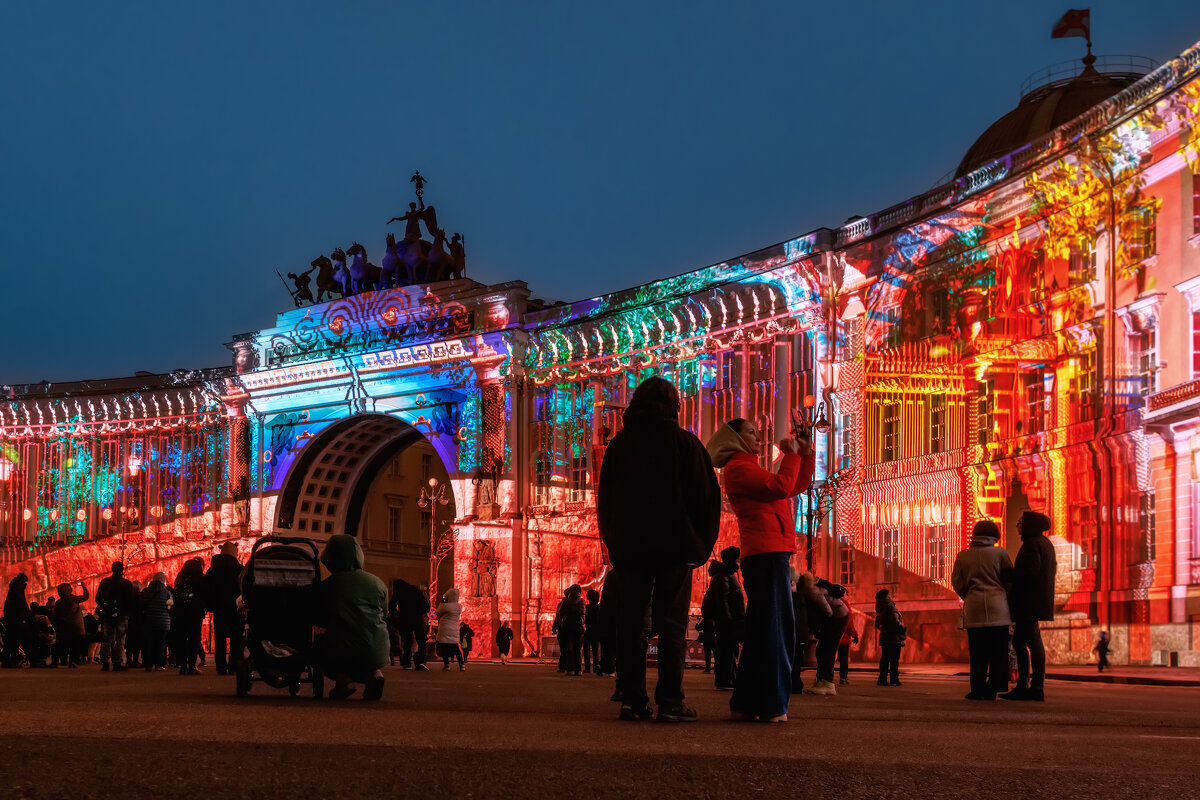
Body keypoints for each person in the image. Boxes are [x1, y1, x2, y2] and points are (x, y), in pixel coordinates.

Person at [597, 377, 721, 722]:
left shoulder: (619, 447)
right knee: (671, 624)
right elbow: (707, 500)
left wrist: (613, 541)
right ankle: (670, 700)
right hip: (675, 548)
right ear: (674, 408)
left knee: (630, 623)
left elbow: (605, 500)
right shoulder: (685, 444)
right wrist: (700, 544)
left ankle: (632, 699)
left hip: (631, 549)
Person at [706, 417, 815, 720]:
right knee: (776, 631)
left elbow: (795, 485)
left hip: (769, 552)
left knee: (762, 631)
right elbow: (781, 486)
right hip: (765, 553)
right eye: (751, 432)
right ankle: (770, 704)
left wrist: (804, 453)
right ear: (735, 439)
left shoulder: (748, 467)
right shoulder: (739, 468)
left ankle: (747, 703)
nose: (758, 437)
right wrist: (791, 454)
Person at [314, 534, 388, 701]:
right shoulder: (377, 582)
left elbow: (319, 618)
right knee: (367, 653)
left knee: (321, 645)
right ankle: (375, 675)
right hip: (378, 648)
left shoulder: (328, 586)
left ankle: (343, 681)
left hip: (343, 648)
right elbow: (385, 613)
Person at [951, 519, 1013, 700]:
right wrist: (1004, 596)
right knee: (998, 653)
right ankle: (993, 687)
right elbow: (1009, 580)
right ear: (995, 535)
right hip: (998, 609)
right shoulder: (1001, 554)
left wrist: (968, 595)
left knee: (977, 653)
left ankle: (977, 688)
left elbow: (957, 583)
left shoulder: (963, 556)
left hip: (974, 609)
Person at [999, 510, 1057, 702]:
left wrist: (1007, 574)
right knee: (1026, 642)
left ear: (1029, 525)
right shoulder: (1044, 544)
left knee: (1026, 642)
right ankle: (1030, 685)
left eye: (1020, 523)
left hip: (1028, 603)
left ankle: (1029, 686)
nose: (1018, 526)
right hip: (1036, 601)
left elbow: (1028, 573)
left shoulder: (1032, 545)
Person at [701, 546, 746, 691]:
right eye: (738, 559)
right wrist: (728, 621)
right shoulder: (723, 577)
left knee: (728, 651)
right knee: (726, 651)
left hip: (729, 621)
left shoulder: (724, 575)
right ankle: (725, 680)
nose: (740, 562)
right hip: (727, 622)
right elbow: (723, 602)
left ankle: (728, 679)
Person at [205, 542, 244, 676]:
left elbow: (207, 589)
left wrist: (210, 605)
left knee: (220, 638)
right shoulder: (240, 569)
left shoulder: (213, 570)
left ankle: (221, 666)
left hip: (219, 608)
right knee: (237, 638)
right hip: (236, 609)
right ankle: (233, 665)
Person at [808, 578, 850, 695]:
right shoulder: (812, 589)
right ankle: (821, 681)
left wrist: (816, 627)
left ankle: (828, 683)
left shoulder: (813, 592)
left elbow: (827, 612)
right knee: (822, 650)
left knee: (828, 650)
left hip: (838, 618)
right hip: (836, 617)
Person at [96, 562, 135, 672]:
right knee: (120, 639)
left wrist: (106, 607)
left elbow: (98, 598)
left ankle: (106, 661)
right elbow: (130, 600)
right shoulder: (126, 584)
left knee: (106, 639)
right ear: (122, 570)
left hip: (108, 614)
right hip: (122, 614)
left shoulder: (105, 582)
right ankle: (117, 662)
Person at [389, 578, 430, 671]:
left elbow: (391, 607)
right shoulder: (417, 590)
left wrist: (399, 614)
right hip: (418, 618)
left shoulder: (399, 592)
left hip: (405, 619)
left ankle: (407, 663)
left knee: (407, 641)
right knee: (421, 640)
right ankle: (420, 661)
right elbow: (426, 605)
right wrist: (421, 613)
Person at [173, 558, 206, 675]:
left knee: (181, 638)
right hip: (195, 612)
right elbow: (205, 595)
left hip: (180, 612)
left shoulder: (180, 578)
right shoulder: (200, 579)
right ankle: (192, 666)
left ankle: (182, 665)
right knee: (194, 638)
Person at [51, 582, 90, 668]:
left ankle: (59, 661)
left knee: (62, 645)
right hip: (75, 627)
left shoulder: (58, 602)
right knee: (75, 646)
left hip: (63, 627)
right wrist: (84, 587)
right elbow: (86, 596)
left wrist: (56, 626)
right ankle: (73, 662)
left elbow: (56, 616)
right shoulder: (73, 599)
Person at [141, 573, 173, 671]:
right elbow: (170, 607)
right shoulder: (167, 592)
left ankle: (148, 664)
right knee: (160, 644)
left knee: (149, 643)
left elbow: (141, 604)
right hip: (163, 623)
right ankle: (159, 665)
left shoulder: (145, 591)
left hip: (149, 621)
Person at [874, 588, 906, 686]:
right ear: (887, 597)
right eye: (889, 595)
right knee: (894, 660)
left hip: (885, 637)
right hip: (894, 638)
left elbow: (877, 623)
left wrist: (885, 630)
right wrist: (902, 629)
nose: (891, 596)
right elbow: (895, 621)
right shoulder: (890, 607)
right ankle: (894, 679)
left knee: (885, 659)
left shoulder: (880, 608)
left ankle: (882, 679)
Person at [552, 584, 585, 676]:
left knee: (569, 649)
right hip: (579, 628)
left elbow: (560, 615)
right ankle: (578, 669)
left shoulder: (565, 602)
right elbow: (584, 615)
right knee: (577, 649)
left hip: (567, 628)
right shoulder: (582, 601)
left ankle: (570, 669)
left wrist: (560, 625)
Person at [2, 573, 31, 668]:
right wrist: (27, 613)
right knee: (15, 639)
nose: (26, 585)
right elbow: (22, 604)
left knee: (11, 640)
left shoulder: (13, 590)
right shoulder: (18, 591)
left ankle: (8, 659)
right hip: (17, 619)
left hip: (11, 619)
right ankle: (13, 659)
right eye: (25, 583)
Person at [435, 588, 465, 671]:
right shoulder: (459, 606)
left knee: (444, 648)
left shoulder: (446, 606)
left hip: (445, 629)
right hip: (454, 629)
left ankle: (447, 665)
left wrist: (442, 601)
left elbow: (437, 612)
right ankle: (461, 665)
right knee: (456, 648)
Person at [838, 607, 860, 685]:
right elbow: (849, 623)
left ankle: (823, 678)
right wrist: (855, 635)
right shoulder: (845, 605)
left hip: (833, 636)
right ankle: (843, 678)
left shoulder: (830, 602)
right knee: (844, 659)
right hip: (843, 638)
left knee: (827, 657)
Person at [583, 589, 602, 675]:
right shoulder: (599, 608)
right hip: (597, 631)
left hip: (587, 631)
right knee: (595, 650)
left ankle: (587, 668)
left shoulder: (586, 608)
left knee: (586, 650)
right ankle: (595, 667)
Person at [125, 580, 143, 667]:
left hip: (129, 621)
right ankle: (135, 660)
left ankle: (129, 659)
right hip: (138, 622)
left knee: (128, 642)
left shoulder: (127, 598)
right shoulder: (140, 598)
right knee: (137, 642)